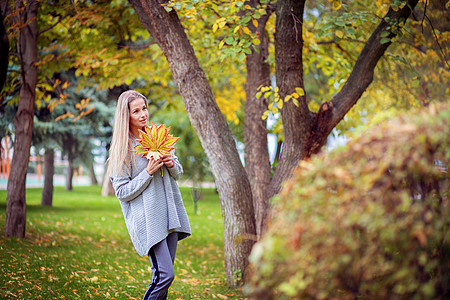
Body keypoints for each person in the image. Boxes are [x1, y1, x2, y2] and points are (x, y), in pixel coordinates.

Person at [107, 90, 191, 300]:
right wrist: (148, 172)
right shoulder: (123, 150)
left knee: (163, 276)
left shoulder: (157, 136)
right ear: (126, 116)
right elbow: (122, 192)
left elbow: (178, 173)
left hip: (169, 215)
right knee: (165, 275)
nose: (143, 114)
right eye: (136, 111)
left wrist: (170, 162)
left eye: (144, 108)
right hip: (148, 220)